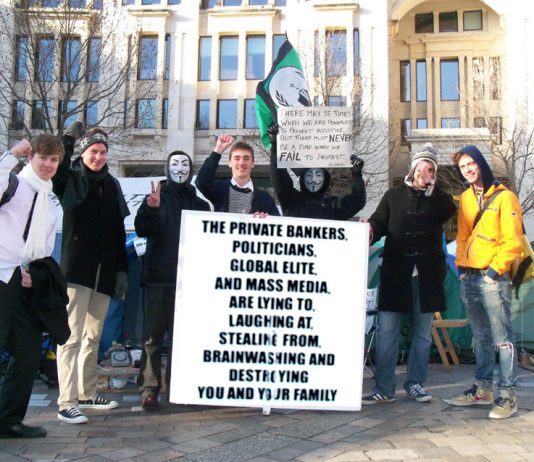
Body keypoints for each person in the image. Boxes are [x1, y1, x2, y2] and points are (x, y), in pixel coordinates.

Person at [362, 143, 456, 405]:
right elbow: (379, 223)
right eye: (423, 167)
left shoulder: (437, 199)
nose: (426, 172)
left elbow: (450, 211)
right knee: (387, 332)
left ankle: (416, 383)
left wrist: (431, 189)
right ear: (413, 167)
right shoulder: (393, 196)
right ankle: (384, 387)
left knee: (423, 333)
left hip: (426, 277)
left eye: (431, 169)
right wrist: (369, 230)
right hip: (395, 274)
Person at [53, 124, 129, 425]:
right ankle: (66, 401)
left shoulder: (112, 185)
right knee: (70, 337)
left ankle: (86, 393)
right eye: (92, 151)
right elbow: (57, 169)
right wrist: (69, 139)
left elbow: (117, 231)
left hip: (105, 273)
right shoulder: (71, 179)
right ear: (83, 152)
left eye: (101, 152)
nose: (97, 157)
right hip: (77, 272)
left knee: (93, 336)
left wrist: (121, 269)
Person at [449, 144, 523, 419]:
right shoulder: (466, 199)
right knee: (480, 338)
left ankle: (507, 395)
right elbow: (463, 235)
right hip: (470, 277)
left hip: (493, 278)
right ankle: (482, 389)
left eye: (471, 163)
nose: (467, 169)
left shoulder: (506, 197)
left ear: (481, 163)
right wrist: (461, 267)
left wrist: (494, 272)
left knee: (503, 340)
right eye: (462, 166)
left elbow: (513, 241)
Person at [135, 151, 210, 410]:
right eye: (175, 164)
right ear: (167, 168)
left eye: (185, 165)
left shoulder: (199, 203)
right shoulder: (155, 198)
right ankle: (149, 390)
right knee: (153, 338)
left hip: (186, 282)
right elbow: (143, 228)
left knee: (182, 338)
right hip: (157, 279)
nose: (180, 169)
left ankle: (179, 387)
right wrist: (151, 209)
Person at [0, 135, 64, 438]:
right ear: (31, 158)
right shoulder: (14, 185)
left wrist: (34, 274)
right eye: (43, 159)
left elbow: (45, 249)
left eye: (54, 160)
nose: (48, 165)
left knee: (26, 354)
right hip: (0, 275)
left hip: (23, 283)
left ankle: (8, 420)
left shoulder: (50, 202)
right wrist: (11, 154)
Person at [268, 124, 366, 219]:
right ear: (303, 178)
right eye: (309, 175)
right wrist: (275, 145)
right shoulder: (292, 200)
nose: (313, 180)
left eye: (318, 175)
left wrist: (356, 175)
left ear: (325, 179)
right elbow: (279, 179)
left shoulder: (334, 206)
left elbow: (357, 201)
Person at [195, 135, 279, 216]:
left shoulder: (265, 199)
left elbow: (278, 227)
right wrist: (218, 150)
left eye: (246, 158)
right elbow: (201, 182)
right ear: (229, 163)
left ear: (253, 163)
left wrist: (266, 221)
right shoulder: (219, 190)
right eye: (237, 158)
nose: (241, 163)